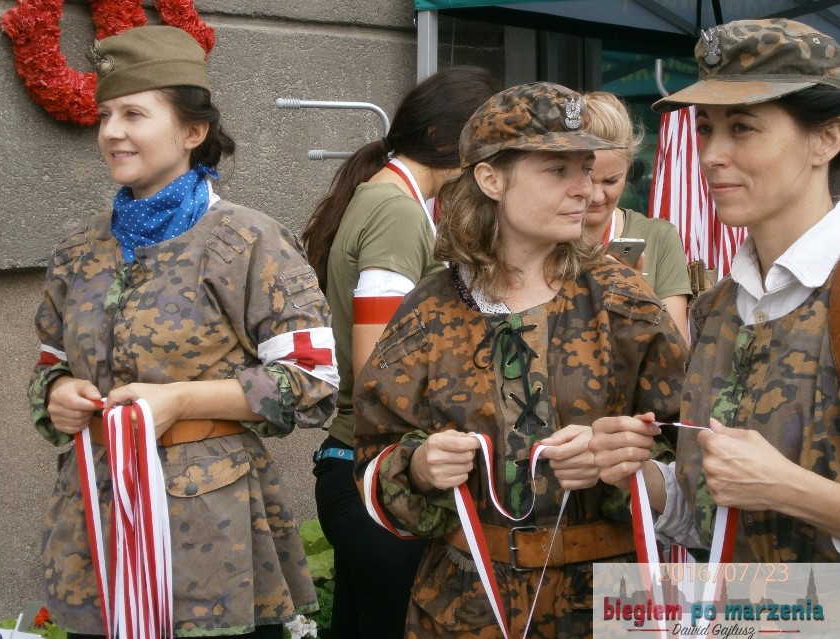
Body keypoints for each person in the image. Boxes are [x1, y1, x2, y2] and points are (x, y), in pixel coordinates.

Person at [28, 26, 338, 638]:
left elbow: (311, 378)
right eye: (106, 115)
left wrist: (180, 400)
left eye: (135, 114)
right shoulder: (78, 251)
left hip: (209, 531)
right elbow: (49, 365)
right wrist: (59, 393)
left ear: (192, 133)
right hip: (98, 521)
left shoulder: (247, 241)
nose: (112, 131)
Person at [352, 83, 688, 638]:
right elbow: (370, 459)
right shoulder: (430, 310)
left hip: (605, 607)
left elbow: (691, 453)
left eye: (589, 167)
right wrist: (417, 466)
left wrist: (627, 462)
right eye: (558, 170)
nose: (587, 190)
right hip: (464, 608)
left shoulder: (624, 302)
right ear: (490, 179)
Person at [590, 18, 840, 563]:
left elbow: (763, 487)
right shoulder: (718, 308)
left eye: (743, 128)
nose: (711, 154)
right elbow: (707, 515)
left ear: (826, 139)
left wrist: (792, 489)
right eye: (705, 128)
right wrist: (637, 473)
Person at [301, 66, 495, 638]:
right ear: (449, 143)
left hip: (354, 468)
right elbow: (377, 368)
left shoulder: (382, 196)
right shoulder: (397, 211)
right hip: (372, 472)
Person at [583, 90, 692, 339]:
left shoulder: (658, 236)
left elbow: (675, 349)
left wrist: (633, 292)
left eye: (611, 181)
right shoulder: (546, 236)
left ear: (629, 169)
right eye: (587, 179)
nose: (597, 196)